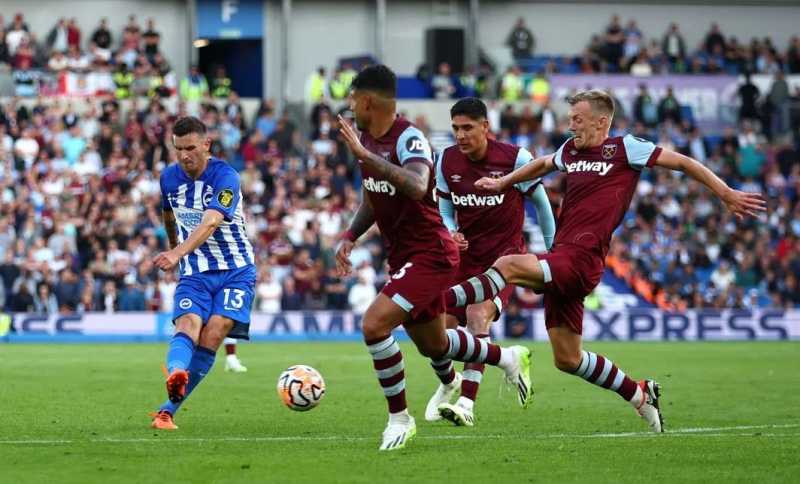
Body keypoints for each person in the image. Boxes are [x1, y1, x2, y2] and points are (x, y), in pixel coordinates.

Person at [445, 89, 765, 433]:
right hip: (561, 255)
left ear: (602, 121)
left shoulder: (626, 149)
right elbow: (542, 163)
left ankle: (435, 302)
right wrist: (504, 182)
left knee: (508, 264)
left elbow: (684, 162)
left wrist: (725, 193)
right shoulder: (571, 150)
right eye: (569, 120)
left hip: (583, 257)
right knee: (567, 359)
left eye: (577, 120)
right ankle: (640, 394)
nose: (570, 126)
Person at [335, 65, 532, 451]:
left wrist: (363, 155)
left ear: (368, 100)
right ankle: (507, 357)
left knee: (374, 325)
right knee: (434, 345)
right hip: (404, 255)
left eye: (353, 99)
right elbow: (373, 196)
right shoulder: (366, 139)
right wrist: (350, 235)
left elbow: (416, 184)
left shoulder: (409, 138)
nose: (349, 107)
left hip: (431, 254)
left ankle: (399, 420)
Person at [426, 97, 556, 427]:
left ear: (486, 127)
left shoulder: (515, 159)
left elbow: (541, 204)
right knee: (438, 336)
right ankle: (481, 370)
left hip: (503, 260)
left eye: (467, 127)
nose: (460, 134)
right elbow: (444, 207)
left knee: (477, 314)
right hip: (463, 259)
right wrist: (452, 230)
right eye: (455, 128)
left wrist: (555, 253)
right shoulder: (446, 161)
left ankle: (466, 404)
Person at [150, 116, 256, 430]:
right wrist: (173, 245)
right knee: (188, 323)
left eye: (191, 148)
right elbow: (168, 214)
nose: (185, 155)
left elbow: (210, 222)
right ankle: (176, 374)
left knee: (214, 331)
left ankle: (166, 411)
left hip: (236, 270)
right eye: (178, 148)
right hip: (195, 272)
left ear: (206, 145)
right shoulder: (168, 178)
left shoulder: (226, 177)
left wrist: (176, 252)